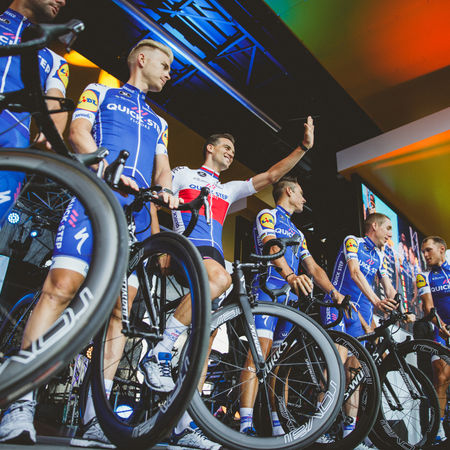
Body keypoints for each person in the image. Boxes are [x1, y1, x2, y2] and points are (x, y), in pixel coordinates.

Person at [0, 37, 178, 447]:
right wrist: (105, 164)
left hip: (135, 218)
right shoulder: (100, 91)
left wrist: (166, 191)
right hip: (95, 199)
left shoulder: (160, 122)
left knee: (119, 315)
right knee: (61, 288)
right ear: (141, 59)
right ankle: (20, 403)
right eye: (165, 65)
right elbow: (78, 131)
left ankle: (96, 417)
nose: (169, 74)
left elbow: (163, 168)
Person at [139, 118, 315, 449]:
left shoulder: (227, 188)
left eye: (234, 150)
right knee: (221, 278)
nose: (231, 153)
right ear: (210, 148)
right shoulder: (183, 174)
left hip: (214, 257)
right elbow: (154, 197)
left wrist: (303, 148)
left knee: (203, 347)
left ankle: (183, 425)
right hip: (187, 246)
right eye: (226, 147)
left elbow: (271, 176)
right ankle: (160, 350)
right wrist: (157, 239)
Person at [238, 175, 345, 437]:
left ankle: (278, 425)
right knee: (258, 356)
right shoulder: (267, 215)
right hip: (267, 293)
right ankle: (245, 424)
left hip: (290, 301)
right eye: (301, 194)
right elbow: (271, 246)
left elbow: (313, 268)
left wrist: (334, 293)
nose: (304, 199)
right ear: (288, 191)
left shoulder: (298, 232)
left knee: (280, 367)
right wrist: (290, 275)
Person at [320, 212, 398, 442]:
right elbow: (354, 272)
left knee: (354, 372)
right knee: (338, 361)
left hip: (361, 313)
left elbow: (389, 286)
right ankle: (319, 425)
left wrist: (399, 306)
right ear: (374, 226)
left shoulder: (380, 255)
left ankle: (349, 433)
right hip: (339, 305)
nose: (390, 234)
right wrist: (377, 301)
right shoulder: (353, 241)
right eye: (388, 228)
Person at [0, 0, 69, 224]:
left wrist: (52, 131)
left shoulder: (56, 60)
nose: (63, 2)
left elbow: (56, 101)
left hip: (13, 144)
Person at [416, 236, 449, 444]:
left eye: (429, 250)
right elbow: (429, 308)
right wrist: (443, 327)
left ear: (442, 249)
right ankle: (438, 426)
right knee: (441, 376)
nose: (425, 255)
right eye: (423, 251)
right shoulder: (423, 276)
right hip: (441, 330)